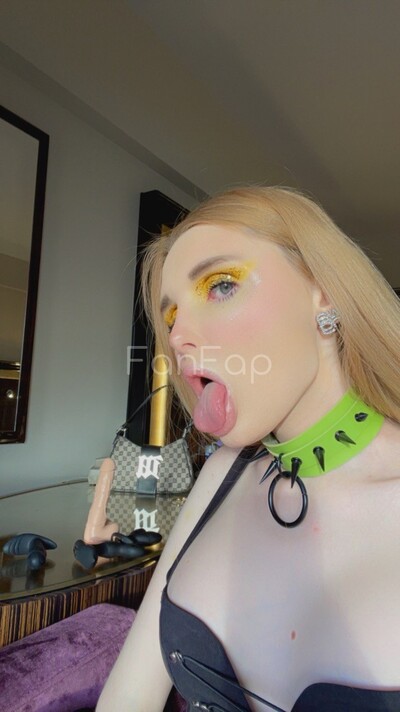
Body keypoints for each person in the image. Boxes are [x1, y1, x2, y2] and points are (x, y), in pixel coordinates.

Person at [97, 186, 400, 712]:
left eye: (220, 286)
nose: (179, 336)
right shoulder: (222, 473)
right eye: (170, 318)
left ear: (324, 293)